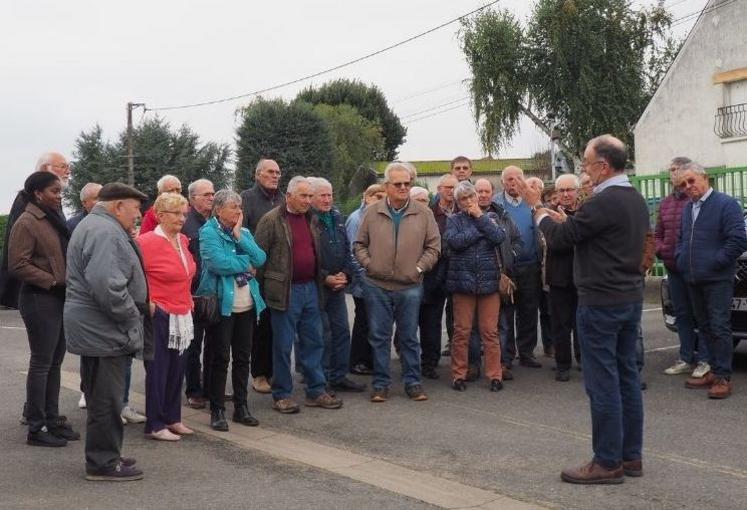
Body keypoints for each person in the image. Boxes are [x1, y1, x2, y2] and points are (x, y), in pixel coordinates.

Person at [528, 135, 649, 485]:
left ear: (603, 166)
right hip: (628, 298)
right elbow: (584, 231)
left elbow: (563, 238)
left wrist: (538, 211)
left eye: (586, 163)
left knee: (603, 383)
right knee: (626, 377)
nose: (584, 169)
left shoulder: (603, 201)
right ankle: (631, 455)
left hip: (601, 302)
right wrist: (560, 219)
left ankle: (608, 461)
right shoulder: (635, 199)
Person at [65, 182, 150, 482]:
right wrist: (131, 316)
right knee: (106, 399)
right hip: (104, 328)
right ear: (118, 206)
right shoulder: (105, 231)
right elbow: (107, 285)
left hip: (97, 327)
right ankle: (102, 463)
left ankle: (107, 454)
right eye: (136, 209)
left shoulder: (98, 226)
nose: (138, 216)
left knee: (103, 396)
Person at [354, 162, 441, 403]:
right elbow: (359, 245)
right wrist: (369, 265)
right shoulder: (372, 212)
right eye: (398, 184)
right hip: (376, 285)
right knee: (379, 336)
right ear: (387, 186)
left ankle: (413, 383)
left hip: (410, 285)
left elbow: (434, 247)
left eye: (407, 183)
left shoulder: (424, 213)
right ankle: (381, 385)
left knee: (409, 337)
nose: (403, 187)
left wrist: (419, 268)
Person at [255, 176, 342, 414]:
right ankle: (282, 394)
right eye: (303, 196)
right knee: (282, 346)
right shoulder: (271, 220)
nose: (308, 200)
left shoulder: (311, 218)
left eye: (309, 196)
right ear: (289, 196)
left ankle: (316, 390)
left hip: (311, 289)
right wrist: (261, 295)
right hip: (285, 291)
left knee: (314, 342)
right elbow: (259, 259)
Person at [8, 172, 78, 447]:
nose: (59, 195)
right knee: (42, 363)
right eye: (54, 191)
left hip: (57, 298)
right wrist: (51, 282)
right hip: (40, 299)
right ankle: (36, 428)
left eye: (60, 191)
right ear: (38, 193)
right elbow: (18, 264)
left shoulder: (52, 219)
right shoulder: (27, 222)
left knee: (55, 362)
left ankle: (53, 420)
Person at [197, 190, 267, 430]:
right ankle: (217, 409)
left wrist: (239, 237)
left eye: (240, 207)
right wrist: (244, 264)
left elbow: (260, 258)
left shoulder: (243, 232)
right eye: (233, 207)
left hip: (247, 305)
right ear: (218, 210)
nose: (239, 211)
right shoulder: (208, 232)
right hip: (222, 305)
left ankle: (241, 406)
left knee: (242, 358)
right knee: (220, 358)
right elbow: (217, 263)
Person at [678, 162, 747, 399]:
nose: (688, 187)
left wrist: (715, 262)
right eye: (683, 184)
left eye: (691, 181)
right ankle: (712, 370)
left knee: (719, 327)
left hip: (717, 278)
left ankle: (723, 377)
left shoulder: (726, 204)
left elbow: (738, 240)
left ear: (705, 178)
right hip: (693, 278)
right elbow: (682, 240)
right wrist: (681, 259)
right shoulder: (688, 208)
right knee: (704, 327)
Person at [137, 192, 197, 441]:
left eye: (184, 214)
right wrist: (147, 303)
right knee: (158, 369)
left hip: (183, 312)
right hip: (160, 313)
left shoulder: (183, 240)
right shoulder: (146, 242)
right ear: (160, 215)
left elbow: (187, 273)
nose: (182, 218)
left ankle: (173, 417)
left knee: (177, 369)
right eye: (176, 213)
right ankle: (155, 423)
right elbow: (134, 275)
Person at [444, 181, 506, 392]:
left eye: (471, 197)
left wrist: (480, 218)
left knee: (490, 332)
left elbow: (499, 237)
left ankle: (495, 375)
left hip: (489, 284)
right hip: (463, 283)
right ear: (458, 202)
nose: (469, 201)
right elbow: (454, 242)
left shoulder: (491, 217)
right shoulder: (453, 220)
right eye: (464, 199)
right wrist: (479, 231)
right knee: (462, 331)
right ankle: (458, 374)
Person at [308, 177, 365, 392]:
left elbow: (347, 251)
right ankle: (320, 380)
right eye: (322, 195)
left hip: (339, 286)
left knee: (342, 331)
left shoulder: (337, 217)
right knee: (323, 334)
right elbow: (307, 256)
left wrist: (346, 275)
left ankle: (339, 376)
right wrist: (325, 278)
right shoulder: (308, 220)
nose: (327, 199)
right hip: (318, 287)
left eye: (329, 194)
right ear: (311, 197)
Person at [656, 158, 710, 378]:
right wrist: (661, 250)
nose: (673, 174)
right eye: (670, 170)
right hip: (673, 267)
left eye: (676, 169)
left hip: (694, 267)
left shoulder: (696, 200)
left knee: (701, 315)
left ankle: (705, 359)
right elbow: (658, 232)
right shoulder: (666, 202)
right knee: (682, 315)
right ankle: (686, 357)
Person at [1, 152, 70, 310]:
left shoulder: (50, 204)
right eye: (63, 166)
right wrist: (52, 282)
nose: (67, 171)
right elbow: (19, 259)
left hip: (56, 292)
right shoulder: (26, 207)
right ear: (46, 168)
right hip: (38, 292)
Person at [493, 166, 544, 371]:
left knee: (529, 311)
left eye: (518, 178)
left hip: (530, 266)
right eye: (509, 179)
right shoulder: (496, 204)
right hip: (507, 269)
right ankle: (507, 354)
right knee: (505, 313)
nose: (513, 182)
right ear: (503, 183)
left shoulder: (532, 203)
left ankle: (526, 352)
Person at [241, 159, 284, 395]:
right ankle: (259, 374)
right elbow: (241, 233)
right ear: (258, 175)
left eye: (278, 172)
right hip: (257, 273)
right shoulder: (247, 199)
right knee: (261, 327)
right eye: (270, 171)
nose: (275, 175)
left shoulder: (283, 199)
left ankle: (277, 371)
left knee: (279, 326)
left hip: (282, 272)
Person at [475, 178, 522, 380]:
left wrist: (510, 255)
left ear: (492, 192)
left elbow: (518, 240)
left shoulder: (503, 215)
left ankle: (503, 363)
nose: (483, 195)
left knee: (502, 324)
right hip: (475, 278)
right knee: (475, 326)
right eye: (479, 191)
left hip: (501, 277)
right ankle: (475, 365)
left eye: (487, 191)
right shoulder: (466, 216)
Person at [182, 179, 216, 409]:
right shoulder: (187, 224)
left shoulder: (212, 221)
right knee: (193, 345)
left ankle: (212, 387)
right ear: (192, 199)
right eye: (206, 195)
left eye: (213, 194)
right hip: (193, 293)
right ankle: (194, 390)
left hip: (213, 291)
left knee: (215, 343)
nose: (211, 198)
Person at [419, 174, 457, 379]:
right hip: (434, 273)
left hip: (458, 272)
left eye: (454, 187)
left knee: (459, 320)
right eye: (447, 187)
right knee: (431, 320)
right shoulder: (429, 212)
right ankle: (429, 363)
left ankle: (462, 362)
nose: (451, 191)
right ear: (439, 189)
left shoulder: (463, 210)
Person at [345, 184, 386, 375]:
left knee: (373, 321)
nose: (380, 200)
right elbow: (353, 253)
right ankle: (358, 361)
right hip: (363, 280)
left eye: (383, 197)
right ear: (366, 197)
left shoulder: (379, 217)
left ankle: (369, 360)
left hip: (376, 280)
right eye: (376, 196)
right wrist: (365, 279)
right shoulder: (356, 219)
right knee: (363, 320)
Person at [545, 174, 582, 382]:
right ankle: (562, 364)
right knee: (560, 324)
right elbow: (555, 241)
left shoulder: (585, 213)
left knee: (582, 322)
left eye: (569, 190)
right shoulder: (550, 215)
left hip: (583, 276)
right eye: (561, 191)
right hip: (559, 276)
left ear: (577, 192)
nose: (566, 194)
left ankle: (583, 358)